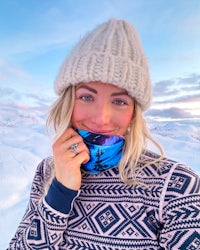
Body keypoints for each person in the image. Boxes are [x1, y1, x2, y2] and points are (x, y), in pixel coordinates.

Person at [8, 18, 200, 250]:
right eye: (87, 97)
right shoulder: (48, 171)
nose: (101, 118)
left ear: (134, 113)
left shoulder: (176, 185)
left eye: (119, 101)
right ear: (68, 102)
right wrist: (60, 193)